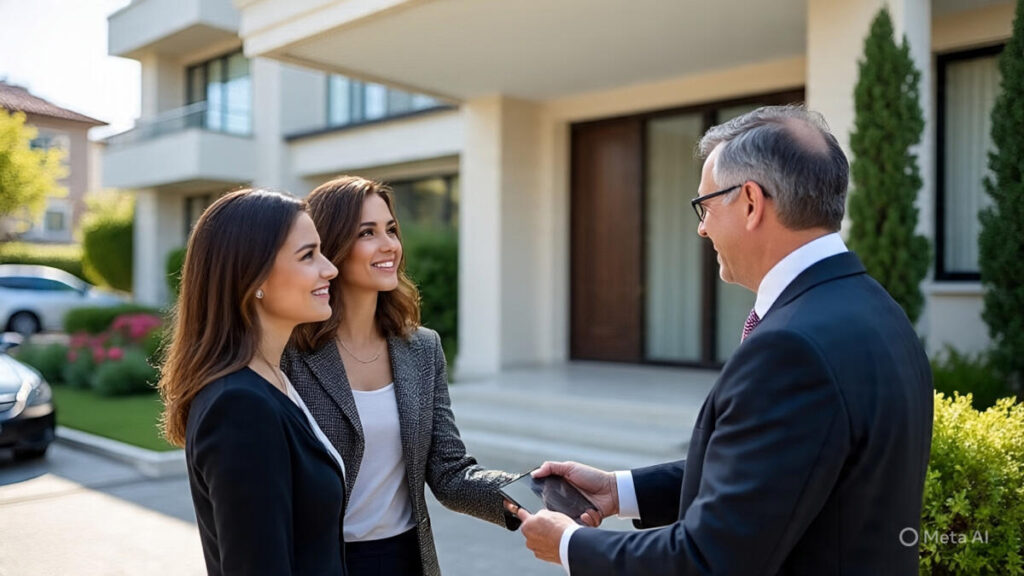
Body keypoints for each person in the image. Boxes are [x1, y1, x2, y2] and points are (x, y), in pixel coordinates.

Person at [512, 105, 934, 575]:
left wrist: (570, 545)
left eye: (706, 206)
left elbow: (709, 561)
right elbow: (775, 476)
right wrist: (620, 491)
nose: (701, 227)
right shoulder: (875, 308)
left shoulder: (792, 349)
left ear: (751, 202)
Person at [283, 176, 518, 576]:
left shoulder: (422, 349)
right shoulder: (290, 353)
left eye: (391, 229)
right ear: (330, 246)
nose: (389, 244)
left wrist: (526, 493)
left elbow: (450, 472)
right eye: (367, 233)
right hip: (321, 562)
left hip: (406, 559)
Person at [158, 188, 347, 575]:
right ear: (253, 275)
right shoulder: (240, 407)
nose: (330, 269)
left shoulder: (273, 380)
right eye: (308, 255)